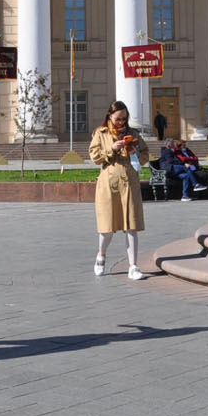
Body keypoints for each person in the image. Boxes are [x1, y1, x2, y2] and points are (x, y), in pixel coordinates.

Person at [88, 100, 146, 281]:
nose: (121, 122)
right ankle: (101, 255)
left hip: (129, 182)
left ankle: (133, 266)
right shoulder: (101, 133)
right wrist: (111, 149)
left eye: (124, 119)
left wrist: (134, 151)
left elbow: (145, 156)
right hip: (108, 184)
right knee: (107, 228)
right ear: (109, 116)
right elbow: (95, 157)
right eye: (118, 119)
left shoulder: (133, 133)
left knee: (132, 226)